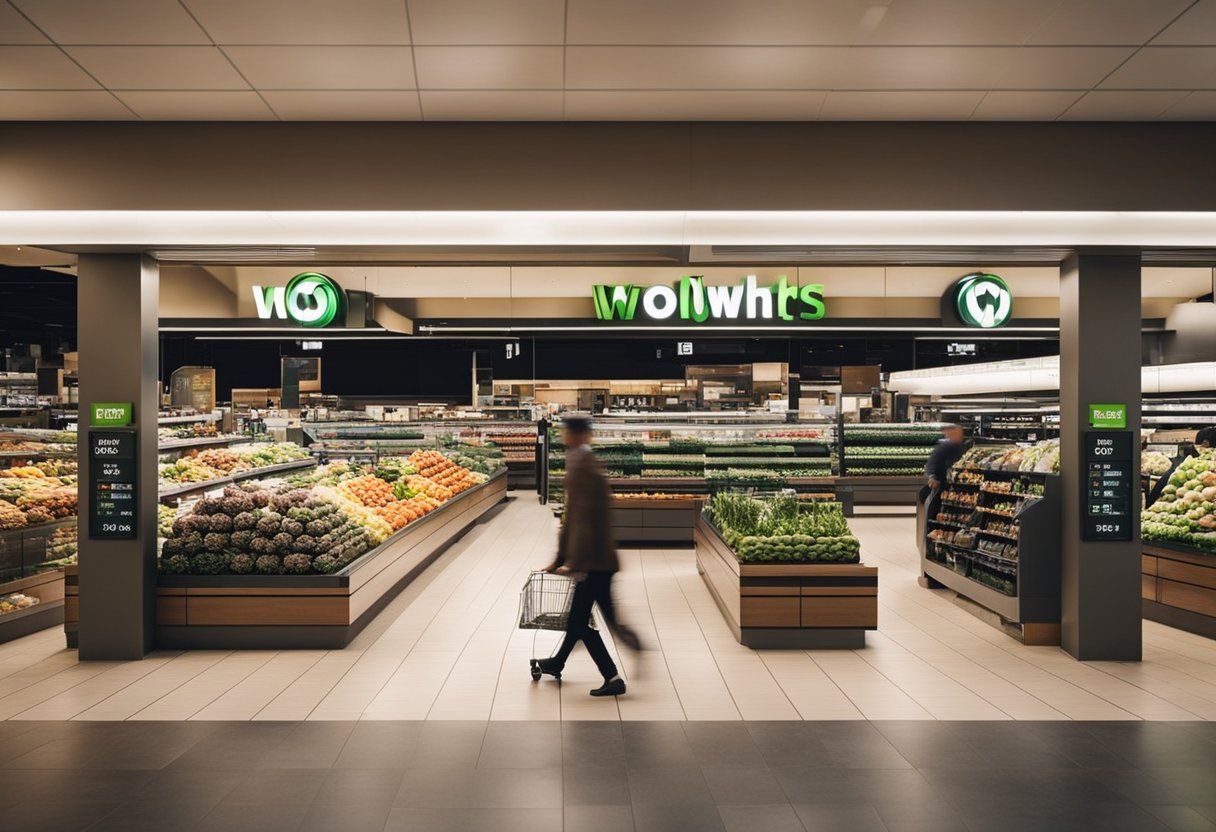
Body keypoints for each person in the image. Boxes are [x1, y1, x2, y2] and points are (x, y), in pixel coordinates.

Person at [536, 415, 641, 697]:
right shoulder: (582, 461)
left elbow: (581, 520)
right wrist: (560, 559)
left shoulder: (582, 465)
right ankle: (557, 663)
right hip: (598, 558)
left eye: (565, 432)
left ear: (579, 435)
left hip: (593, 560)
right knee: (584, 619)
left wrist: (574, 562)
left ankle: (613, 676)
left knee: (580, 621)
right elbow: (574, 518)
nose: (561, 436)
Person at [925, 423, 966, 491]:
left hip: (955, 483)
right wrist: (932, 477)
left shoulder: (962, 446)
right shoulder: (944, 447)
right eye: (957, 433)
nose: (960, 435)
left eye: (961, 433)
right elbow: (932, 463)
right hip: (941, 484)